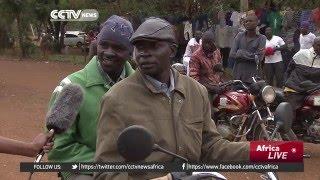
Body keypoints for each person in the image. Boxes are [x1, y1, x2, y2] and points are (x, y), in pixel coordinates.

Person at [94, 17, 249, 180]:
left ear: (173, 50)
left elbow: (211, 147)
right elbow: (106, 172)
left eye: (154, 46)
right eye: (139, 47)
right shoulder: (116, 99)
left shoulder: (196, 92)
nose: (144, 53)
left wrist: (263, 151)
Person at [47, 15, 135, 180]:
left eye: (118, 47)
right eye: (104, 45)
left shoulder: (142, 87)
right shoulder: (71, 87)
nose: (108, 52)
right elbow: (58, 146)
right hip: (85, 170)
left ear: (130, 51)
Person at [284, 37, 320, 124]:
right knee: (290, 115)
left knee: (317, 104)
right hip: (294, 88)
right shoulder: (301, 54)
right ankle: (287, 133)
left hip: (313, 90)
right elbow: (289, 69)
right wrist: (285, 82)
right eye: (319, 45)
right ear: (313, 45)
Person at [229, 14, 266, 84]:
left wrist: (240, 53)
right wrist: (252, 56)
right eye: (246, 21)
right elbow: (232, 54)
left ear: (257, 22)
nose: (247, 23)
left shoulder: (262, 38)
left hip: (253, 77)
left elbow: (259, 58)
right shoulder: (239, 35)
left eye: (250, 21)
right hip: (238, 75)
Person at [189, 30, 223, 99]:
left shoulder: (217, 52)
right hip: (203, 92)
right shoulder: (196, 56)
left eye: (210, 43)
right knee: (209, 109)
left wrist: (221, 83)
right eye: (205, 42)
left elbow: (219, 70)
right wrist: (211, 88)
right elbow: (194, 79)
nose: (207, 45)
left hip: (217, 87)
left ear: (214, 42)